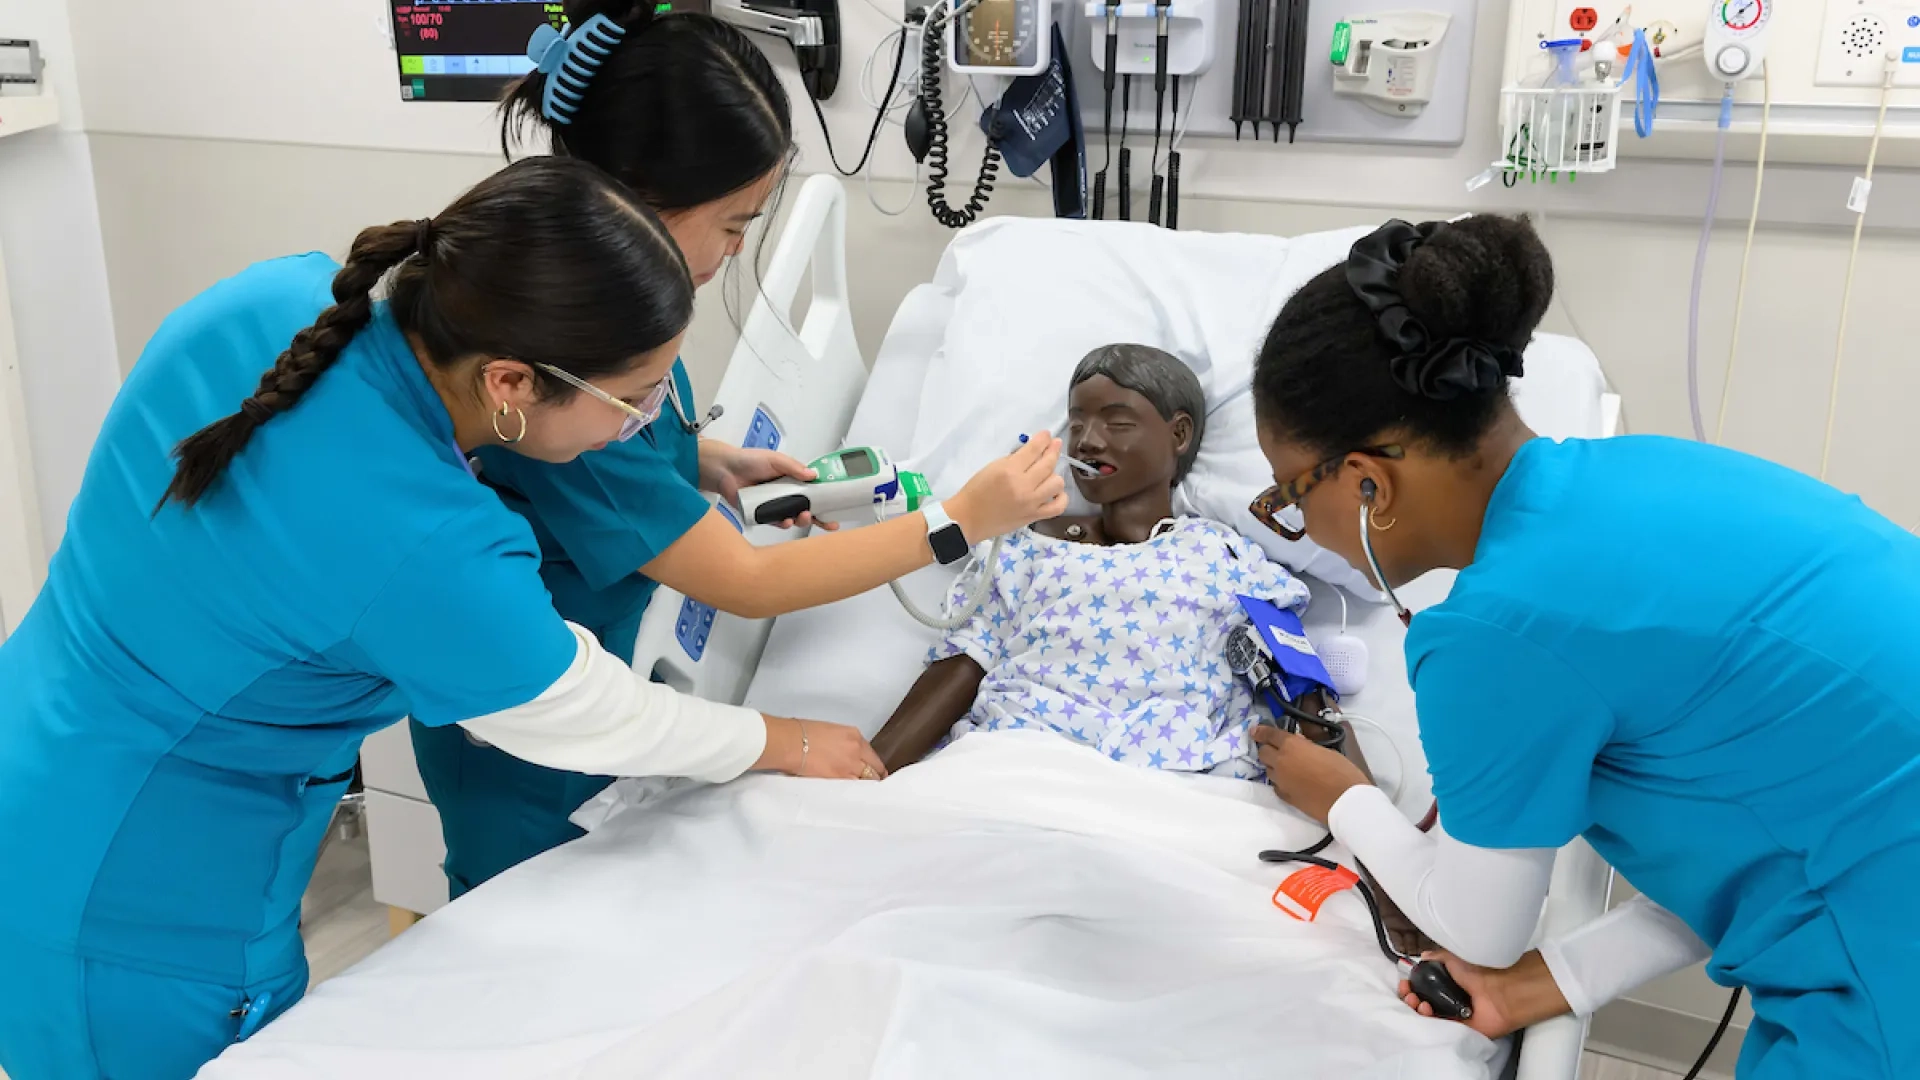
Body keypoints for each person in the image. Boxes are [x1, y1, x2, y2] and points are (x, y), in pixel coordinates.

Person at [0, 158, 915, 1080]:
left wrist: (695, 457)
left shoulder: (278, 300)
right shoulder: (424, 543)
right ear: (513, 383)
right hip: (135, 900)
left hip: (35, 741)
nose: (644, 425)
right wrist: (785, 742)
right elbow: (590, 713)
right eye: (633, 402)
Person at [410, 0, 1071, 897]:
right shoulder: (561, 358)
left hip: (604, 682)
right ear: (640, 198)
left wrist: (708, 459)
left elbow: (632, 431)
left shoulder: (599, 320)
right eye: (733, 225)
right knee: (524, 937)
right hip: (535, 755)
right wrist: (955, 522)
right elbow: (746, 580)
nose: (734, 252)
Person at [1246, 215, 1920, 1079]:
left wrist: (1343, 797)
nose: (1297, 526)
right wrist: (1548, 982)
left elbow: (1477, 924)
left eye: (1292, 497)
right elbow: (1757, 836)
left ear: (1368, 480)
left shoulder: (1498, 630)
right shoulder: (1652, 473)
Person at [873, 345, 1350, 781]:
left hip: (1177, 781)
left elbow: (1296, 674)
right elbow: (964, 661)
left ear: (1179, 435)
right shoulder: (1025, 543)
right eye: (1076, 424)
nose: (1087, 442)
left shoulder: (1220, 553)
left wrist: (1357, 803)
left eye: (1116, 423)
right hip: (1016, 766)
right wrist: (869, 773)